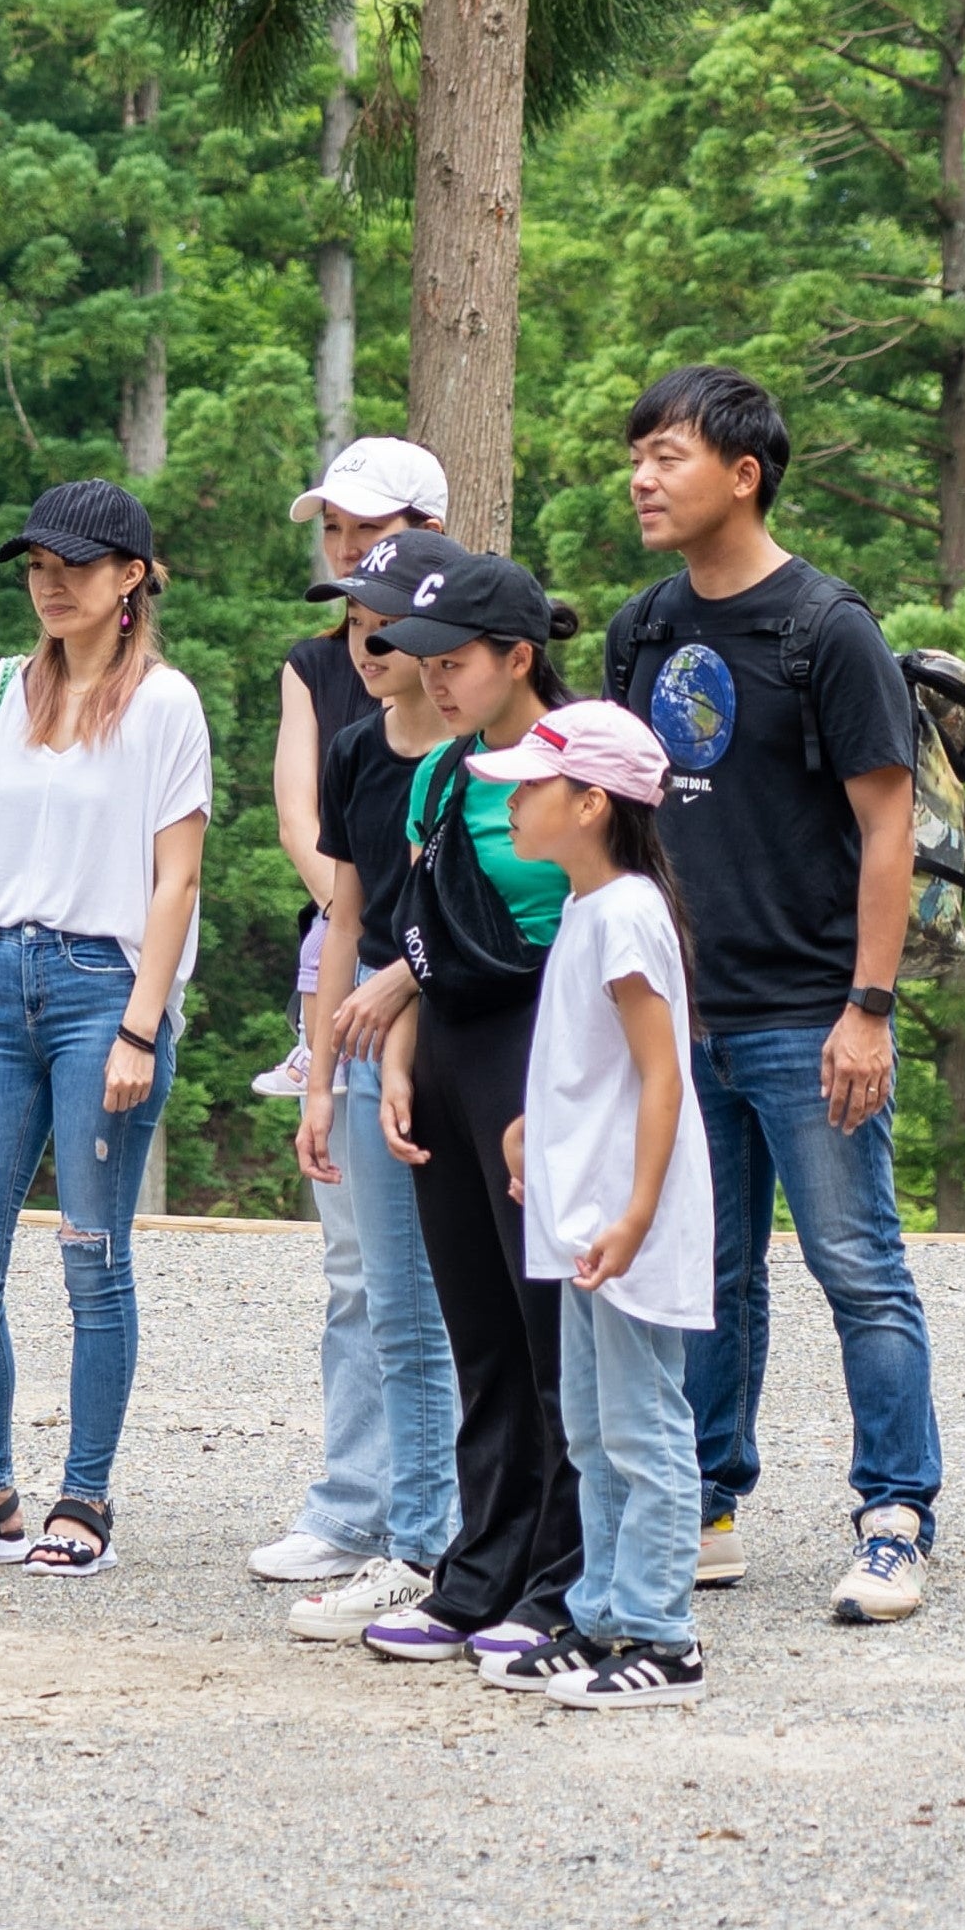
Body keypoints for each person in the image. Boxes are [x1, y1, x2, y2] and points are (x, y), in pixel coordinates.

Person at [607, 365, 940, 1624]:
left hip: (808, 1011)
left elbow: (887, 828)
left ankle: (894, 1513)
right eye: (636, 455)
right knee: (709, 1270)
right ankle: (703, 1503)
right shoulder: (640, 629)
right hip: (680, 1013)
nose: (641, 478)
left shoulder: (824, 626)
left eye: (668, 455)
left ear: (743, 474)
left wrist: (868, 1006)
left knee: (857, 1265)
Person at [0, 481, 210, 1580]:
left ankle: (85, 1495)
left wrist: (139, 1027)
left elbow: (175, 880)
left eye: (74, 564)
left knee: (91, 1256)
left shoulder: (163, 704)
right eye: (36, 563)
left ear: (131, 576)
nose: (50, 582)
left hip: (102, 988)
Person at [358, 551, 587, 1673]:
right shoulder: (441, 776)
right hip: (451, 1051)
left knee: (551, 1331)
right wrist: (400, 1064)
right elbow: (421, 931)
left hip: (545, 1045)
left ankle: (562, 1579)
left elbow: (617, 919)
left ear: (518, 656)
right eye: (426, 663)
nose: (436, 681)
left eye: (455, 662)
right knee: (479, 1333)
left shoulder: (583, 762)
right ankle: (480, 1567)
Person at [473, 704, 718, 1709]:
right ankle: (605, 1613)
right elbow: (594, 1065)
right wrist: (531, 1131)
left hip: (624, 1221)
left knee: (643, 1426)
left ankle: (664, 1635)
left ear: (590, 804)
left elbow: (662, 1074)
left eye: (532, 787)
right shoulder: (587, 910)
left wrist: (637, 1210)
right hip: (586, 1219)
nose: (514, 803)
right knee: (592, 1427)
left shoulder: (624, 913)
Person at [252, 440, 454, 1588]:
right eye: (332, 528)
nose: (343, 548)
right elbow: (308, 818)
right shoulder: (319, 673)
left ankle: (444, 1515)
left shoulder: (471, 670)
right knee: (357, 1265)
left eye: (366, 529)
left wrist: (397, 945)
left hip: (433, 978)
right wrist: (358, 914)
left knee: (447, 1267)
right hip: (344, 957)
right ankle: (355, 1500)